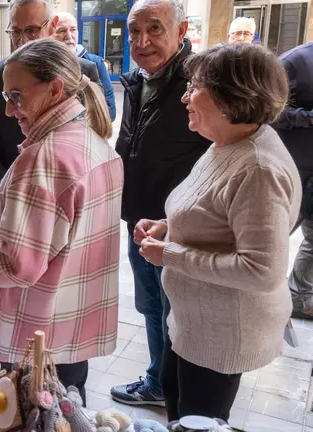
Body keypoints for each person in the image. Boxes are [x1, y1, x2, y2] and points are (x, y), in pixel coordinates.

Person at [0, 38, 121, 405]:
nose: (10, 112)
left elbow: (15, 267)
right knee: (65, 417)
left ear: (55, 89)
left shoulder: (43, 158)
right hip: (71, 329)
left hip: (30, 336)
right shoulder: (96, 143)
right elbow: (65, 232)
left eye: (16, 97)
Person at [138, 43, 301, 422]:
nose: (184, 97)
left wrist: (170, 255)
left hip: (221, 338)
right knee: (177, 412)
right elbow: (214, 215)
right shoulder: (227, 143)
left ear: (231, 97)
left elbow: (262, 271)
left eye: (194, 86)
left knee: (198, 421)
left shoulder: (259, 168)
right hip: (191, 325)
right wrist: (168, 227)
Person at [109, 0, 211, 408]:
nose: (142, 41)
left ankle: (180, 394)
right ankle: (157, 380)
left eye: (155, 29)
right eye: (134, 32)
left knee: (178, 312)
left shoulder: (198, 79)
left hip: (178, 226)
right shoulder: (139, 79)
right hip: (140, 218)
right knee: (152, 304)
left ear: (182, 30)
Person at [0, 0, 101, 204]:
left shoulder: (84, 72)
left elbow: (94, 139)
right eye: (15, 32)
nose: (22, 40)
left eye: (31, 30)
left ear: (53, 25)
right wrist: (8, 184)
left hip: (69, 199)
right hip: (8, 199)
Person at [273, 42, 313, 319]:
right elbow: (269, 111)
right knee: (272, 235)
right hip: (294, 169)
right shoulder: (295, 61)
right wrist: (308, 118)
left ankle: (299, 296)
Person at [54, 12, 117, 121]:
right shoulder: (45, 64)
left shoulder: (95, 63)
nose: (69, 36)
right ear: (51, 33)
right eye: (62, 31)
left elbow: (110, 111)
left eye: (73, 30)